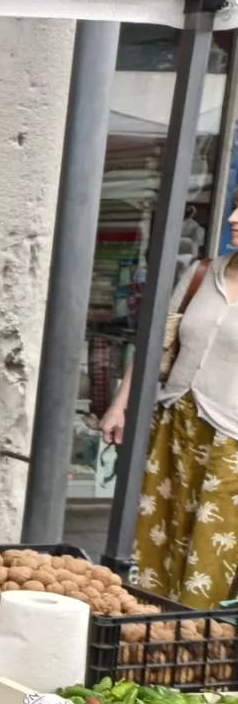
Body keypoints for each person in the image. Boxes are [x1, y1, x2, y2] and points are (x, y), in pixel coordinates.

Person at [102, 230, 238, 607]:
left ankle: (196, 653)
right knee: (154, 542)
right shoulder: (203, 273)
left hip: (230, 445)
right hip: (175, 425)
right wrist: (120, 404)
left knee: (211, 558)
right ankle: (145, 642)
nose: (232, 217)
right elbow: (158, 341)